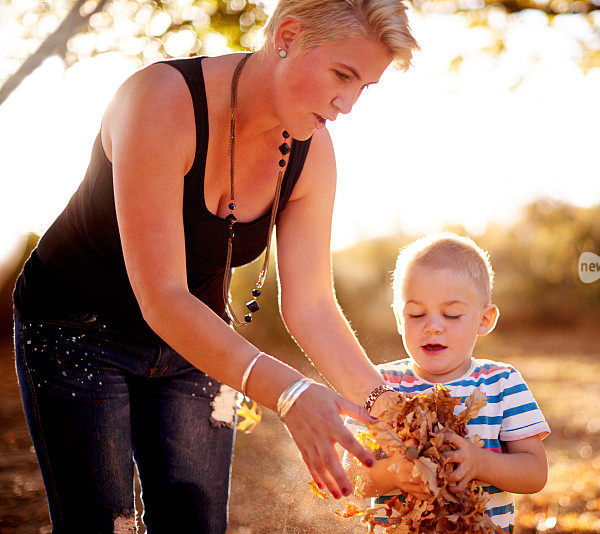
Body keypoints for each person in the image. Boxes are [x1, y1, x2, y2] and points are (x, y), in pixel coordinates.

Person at [11, 0, 418, 531]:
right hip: (74, 332)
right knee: (103, 522)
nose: (347, 104)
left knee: (196, 522)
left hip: (200, 343)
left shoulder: (312, 154)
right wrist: (292, 393)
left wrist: (394, 418)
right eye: (342, 74)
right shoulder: (159, 100)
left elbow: (312, 305)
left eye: (363, 86)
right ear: (288, 36)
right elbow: (162, 297)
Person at [344, 233, 550, 533]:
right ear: (398, 318)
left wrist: (480, 463)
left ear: (484, 319)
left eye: (452, 314)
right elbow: (350, 476)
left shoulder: (502, 383)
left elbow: (535, 473)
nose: (433, 326)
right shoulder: (377, 384)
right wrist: (393, 473)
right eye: (416, 314)